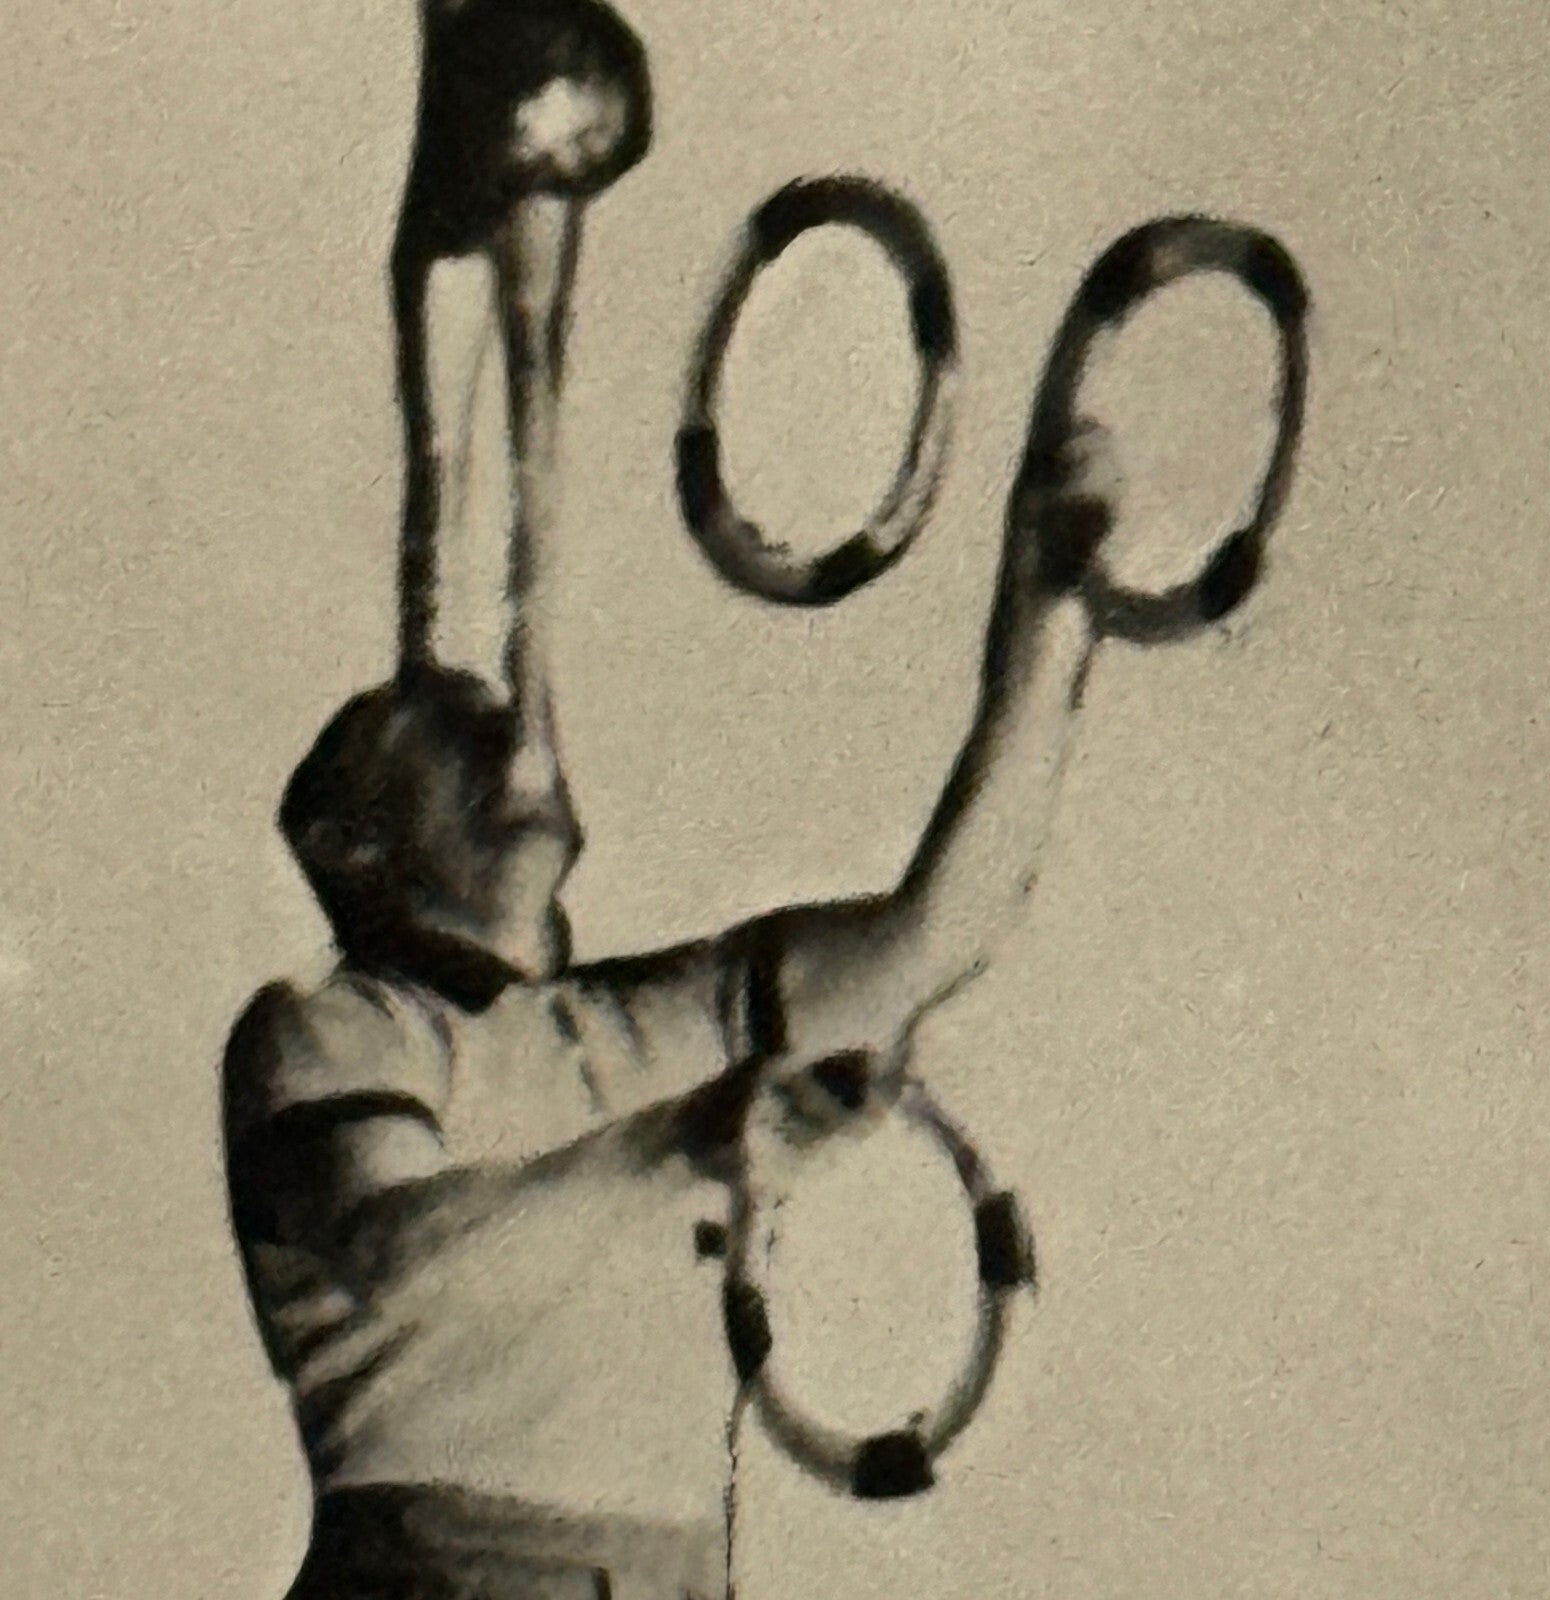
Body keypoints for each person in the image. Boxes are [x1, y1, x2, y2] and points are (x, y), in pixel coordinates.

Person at [219, 401, 1111, 1597]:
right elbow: (399, 1257)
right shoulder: (330, 1032)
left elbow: (944, 928)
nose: (518, 744)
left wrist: (1047, 611)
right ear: (348, 841)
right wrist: (678, 1143)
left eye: (509, 723)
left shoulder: (665, 1023)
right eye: (455, 735)